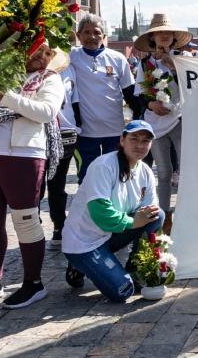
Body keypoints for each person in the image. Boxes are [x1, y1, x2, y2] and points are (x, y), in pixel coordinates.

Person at [0, 44, 65, 309]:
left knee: (25, 220)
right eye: (38, 50)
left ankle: (33, 284)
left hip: (24, 153)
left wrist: (4, 97)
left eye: (48, 54)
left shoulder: (49, 78)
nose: (42, 57)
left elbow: (46, 111)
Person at [62, 120, 163, 301]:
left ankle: (136, 270)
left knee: (156, 215)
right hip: (85, 242)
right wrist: (133, 221)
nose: (140, 145)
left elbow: (149, 212)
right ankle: (79, 264)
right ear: (122, 140)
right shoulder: (104, 165)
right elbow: (100, 212)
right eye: (134, 139)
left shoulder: (146, 171)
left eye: (145, 141)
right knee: (123, 291)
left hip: (110, 234)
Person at [134, 14, 191, 223]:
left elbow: (190, 85)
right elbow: (139, 94)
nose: (164, 35)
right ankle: (165, 217)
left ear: (173, 36)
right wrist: (152, 105)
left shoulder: (184, 58)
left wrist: (171, 64)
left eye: (168, 32)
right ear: (152, 37)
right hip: (155, 122)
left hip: (179, 118)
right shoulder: (145, 63)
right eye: (159, 32)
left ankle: (185, 214)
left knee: (185, 170)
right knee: (164, 172)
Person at [70, 14, 139, 184]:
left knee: (114, 176)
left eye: (96, 32)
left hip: (114, 131)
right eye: (86, 32)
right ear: (78, 35)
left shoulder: (117, 59)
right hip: (85, 132)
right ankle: (87, 202)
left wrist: (137, 122)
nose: (92, 37)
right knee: (87, 178)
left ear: (104, 36)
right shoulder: (71, 58)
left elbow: (130, 93)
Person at [44, 60, 80, 248]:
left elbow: (75, 101)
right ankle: (33, 228)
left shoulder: (68, 69)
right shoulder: (32, 69)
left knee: (57, 185)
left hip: (65, 131)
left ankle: (59, 226)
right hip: (39, 132)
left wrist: (78, 126)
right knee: (36, 186)